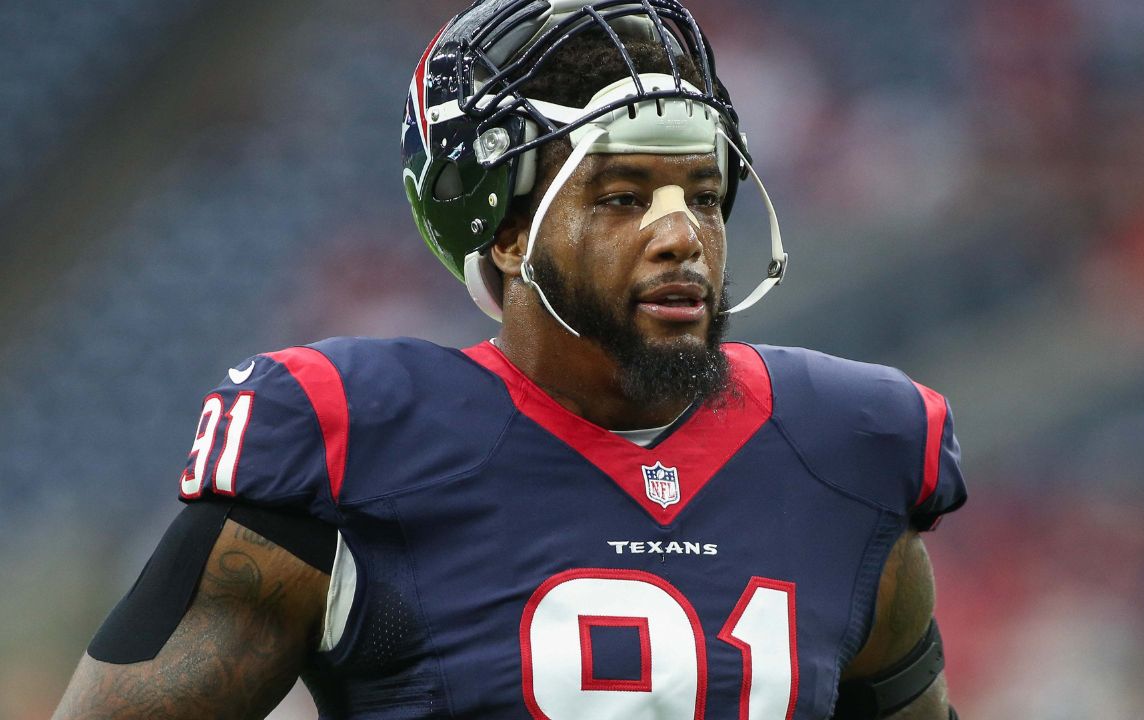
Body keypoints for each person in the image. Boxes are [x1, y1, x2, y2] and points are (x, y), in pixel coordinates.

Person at [54, 1, 967, 718]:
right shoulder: (353, 442)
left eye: (701, 192)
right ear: (505, 230)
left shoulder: (846, 450)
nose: (682, 235)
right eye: (623, 196)